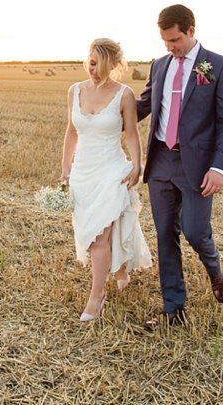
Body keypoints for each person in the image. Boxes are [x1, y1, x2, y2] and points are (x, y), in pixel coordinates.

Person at [136, 4, 223, 329]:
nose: (170, 47)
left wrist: (219, 167)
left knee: (195, 232)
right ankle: (174, 310)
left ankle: (216, 271)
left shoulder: (219, 67)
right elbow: (144, 105)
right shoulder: (159, 66)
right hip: (161, 162)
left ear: (191, 30)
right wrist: (103, 108)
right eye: (165, 41)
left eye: (176, 39)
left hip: (197, 166)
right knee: (165, 235)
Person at [61, 38, 153, 322]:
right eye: (91, 63)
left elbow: (131, 135)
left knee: (99, 236)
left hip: (111, 170)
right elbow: (72, 132)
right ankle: (120, 269)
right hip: (83, 173)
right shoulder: (74, 91)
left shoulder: (124, 94)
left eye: (102, 66)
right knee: (90, 229)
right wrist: (65, 168)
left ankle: (96, 296)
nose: (95, 71)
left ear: (114, 66)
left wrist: (137, 165)